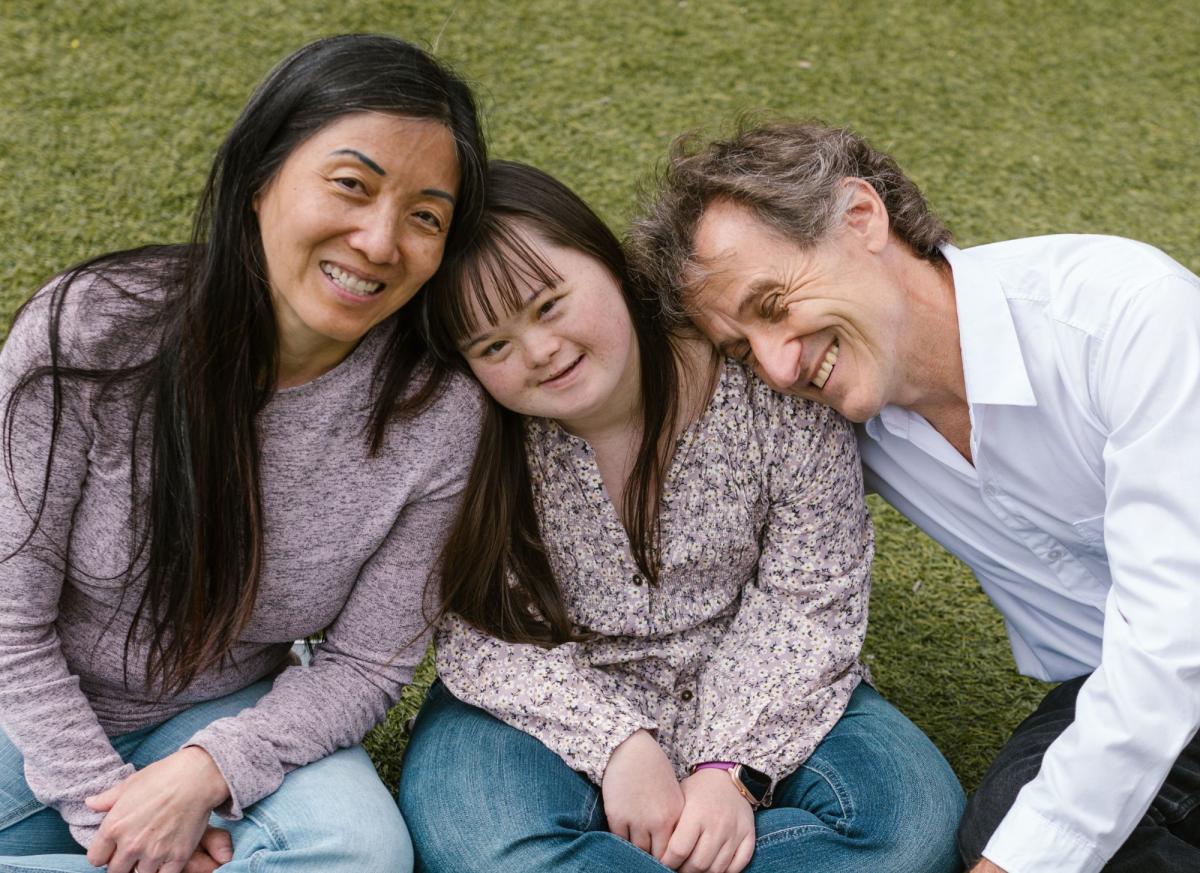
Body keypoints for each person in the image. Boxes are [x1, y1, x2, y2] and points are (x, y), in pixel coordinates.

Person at [629, 121, 1200, 873]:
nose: (776, 363)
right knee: (1008, 828)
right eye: (742, 349)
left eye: (773, 302)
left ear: (860, 216)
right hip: (1117, 685)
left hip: (1174, 646)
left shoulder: (1127, 316)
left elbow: (1173, 636)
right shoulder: (830, 423)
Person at [0, 33, 486, 873]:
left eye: (425, 217)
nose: (378, 241)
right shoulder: (90, 326)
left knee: (361, 853)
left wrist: (203, 773)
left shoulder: (436, 413)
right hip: (24, 712)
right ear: (261, 178)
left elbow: (367, 663)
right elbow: (9, 623)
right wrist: (107, 817)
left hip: (226, 715)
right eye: (350, 185)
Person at [396, 160, 964, 873]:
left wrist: (729, 766)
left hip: (766, 682)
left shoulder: (763, 379)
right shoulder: (472, 431)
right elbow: (481, 629)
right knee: (479, 838)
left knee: (913, 828)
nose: (539, 351)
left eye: (549, 304)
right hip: (542, 703)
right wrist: (617, 742)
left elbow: (810, 600)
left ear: (607, 263)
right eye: (493, 346)